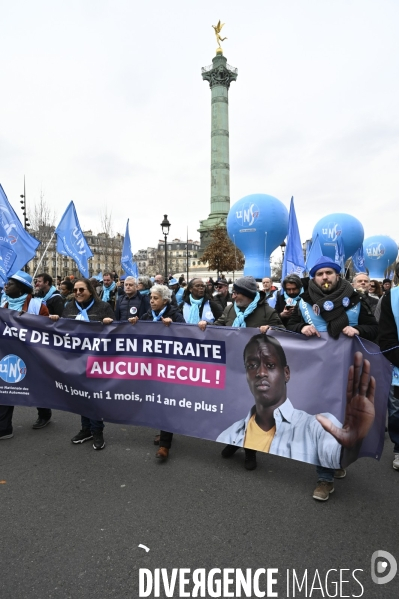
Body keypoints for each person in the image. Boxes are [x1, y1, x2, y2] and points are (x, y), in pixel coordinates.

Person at [217, 334, 375, 501]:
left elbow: (334, 447)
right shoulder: (230, 433)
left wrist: (351, 445)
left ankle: (326, 479)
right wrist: (300, 327)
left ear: (286, 373)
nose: (260, 373)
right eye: (252, 365)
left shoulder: (317, 426)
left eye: (270, 365)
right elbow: (293, 322)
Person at [286, 256, 378, 498]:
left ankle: (335, 462)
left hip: (349, 373)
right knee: (323, 421)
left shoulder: (356, 300)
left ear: (338, 275)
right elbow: (290, 325)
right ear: (314, 278)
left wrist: (358, 329)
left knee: (344, 420)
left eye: (329, 272)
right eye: (319, 274)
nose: (324, 277)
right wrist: (300, 328)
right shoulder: (304, 301)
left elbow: (375, 329)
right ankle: (324, 478)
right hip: (317, 374)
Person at [199, 275, 283, 471]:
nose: (233, 295)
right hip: (231, 366)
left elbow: (282, 333)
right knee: (233, 408)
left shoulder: (266, 311)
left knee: (250, 409)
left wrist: (272, 330)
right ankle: (235, 441)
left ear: (247, 294)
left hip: (255, 371)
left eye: (236, 292)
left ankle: (250, 451)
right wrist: (205, 326)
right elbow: (219, 326)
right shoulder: (230, 309)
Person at [49, 278, 115, 450]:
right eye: (76, 290)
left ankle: (97, 431)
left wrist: (109, 323)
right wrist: (55, 320)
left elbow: (116, 334)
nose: (78, 293)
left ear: (90, 290)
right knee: (80, 395)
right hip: (75, 359)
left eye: (81, 290)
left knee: (93, 397)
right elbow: (63, 332)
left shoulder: (103, 307)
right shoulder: (69, 307)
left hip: (96, 360)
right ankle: (86, 429)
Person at [129, 284, 185, 461]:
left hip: (170, 367)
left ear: (165, 301)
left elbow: (186, 338)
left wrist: (173, 326)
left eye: (155, 298)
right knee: (157, 401)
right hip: (151, 367)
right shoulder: (147, 316)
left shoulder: (175, 316)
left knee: (166, 402)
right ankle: (164, 431)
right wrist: (134, 324)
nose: (151, 301)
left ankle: (165, 446)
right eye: (151, 298)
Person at [0, 271, 49, 440]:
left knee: (36, 387)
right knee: (6, 385)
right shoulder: (3, 304)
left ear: (21, 288)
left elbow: (48, 329)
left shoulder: (37, 305)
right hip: (8, 354)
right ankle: (4, 428)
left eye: (11, 284)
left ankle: (44, 414)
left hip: (32, 354)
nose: (6, 286)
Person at [33, 273, 65, 428]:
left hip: (50, 342)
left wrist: (53, 318)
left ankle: (45, 413)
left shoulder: (56, 298)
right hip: (37, 341)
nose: (36, 283)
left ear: (47, 282)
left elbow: (61, 319)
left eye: (39, 281)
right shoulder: (37, 297)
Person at [378, 262, 399, 470]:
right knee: (396, 412)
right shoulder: (390, 298)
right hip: (398, 367)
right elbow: (385, 336)